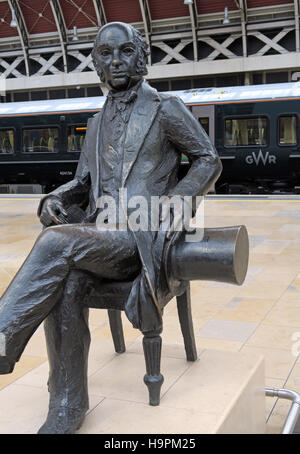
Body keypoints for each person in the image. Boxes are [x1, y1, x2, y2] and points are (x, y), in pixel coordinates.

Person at [0, 22, 222, 434]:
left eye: (124, 52)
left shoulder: (166, 109)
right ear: (96, 63)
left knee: (54, 243)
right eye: (105, 53)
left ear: (142, 57)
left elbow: (208, 159)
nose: (115, 61)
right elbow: (83, 182)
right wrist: (56, 198)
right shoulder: (96, 121)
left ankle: (1, 336)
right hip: (99, 239)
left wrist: (178, 200)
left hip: (141, 236)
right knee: (63, 279)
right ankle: (67, 403)